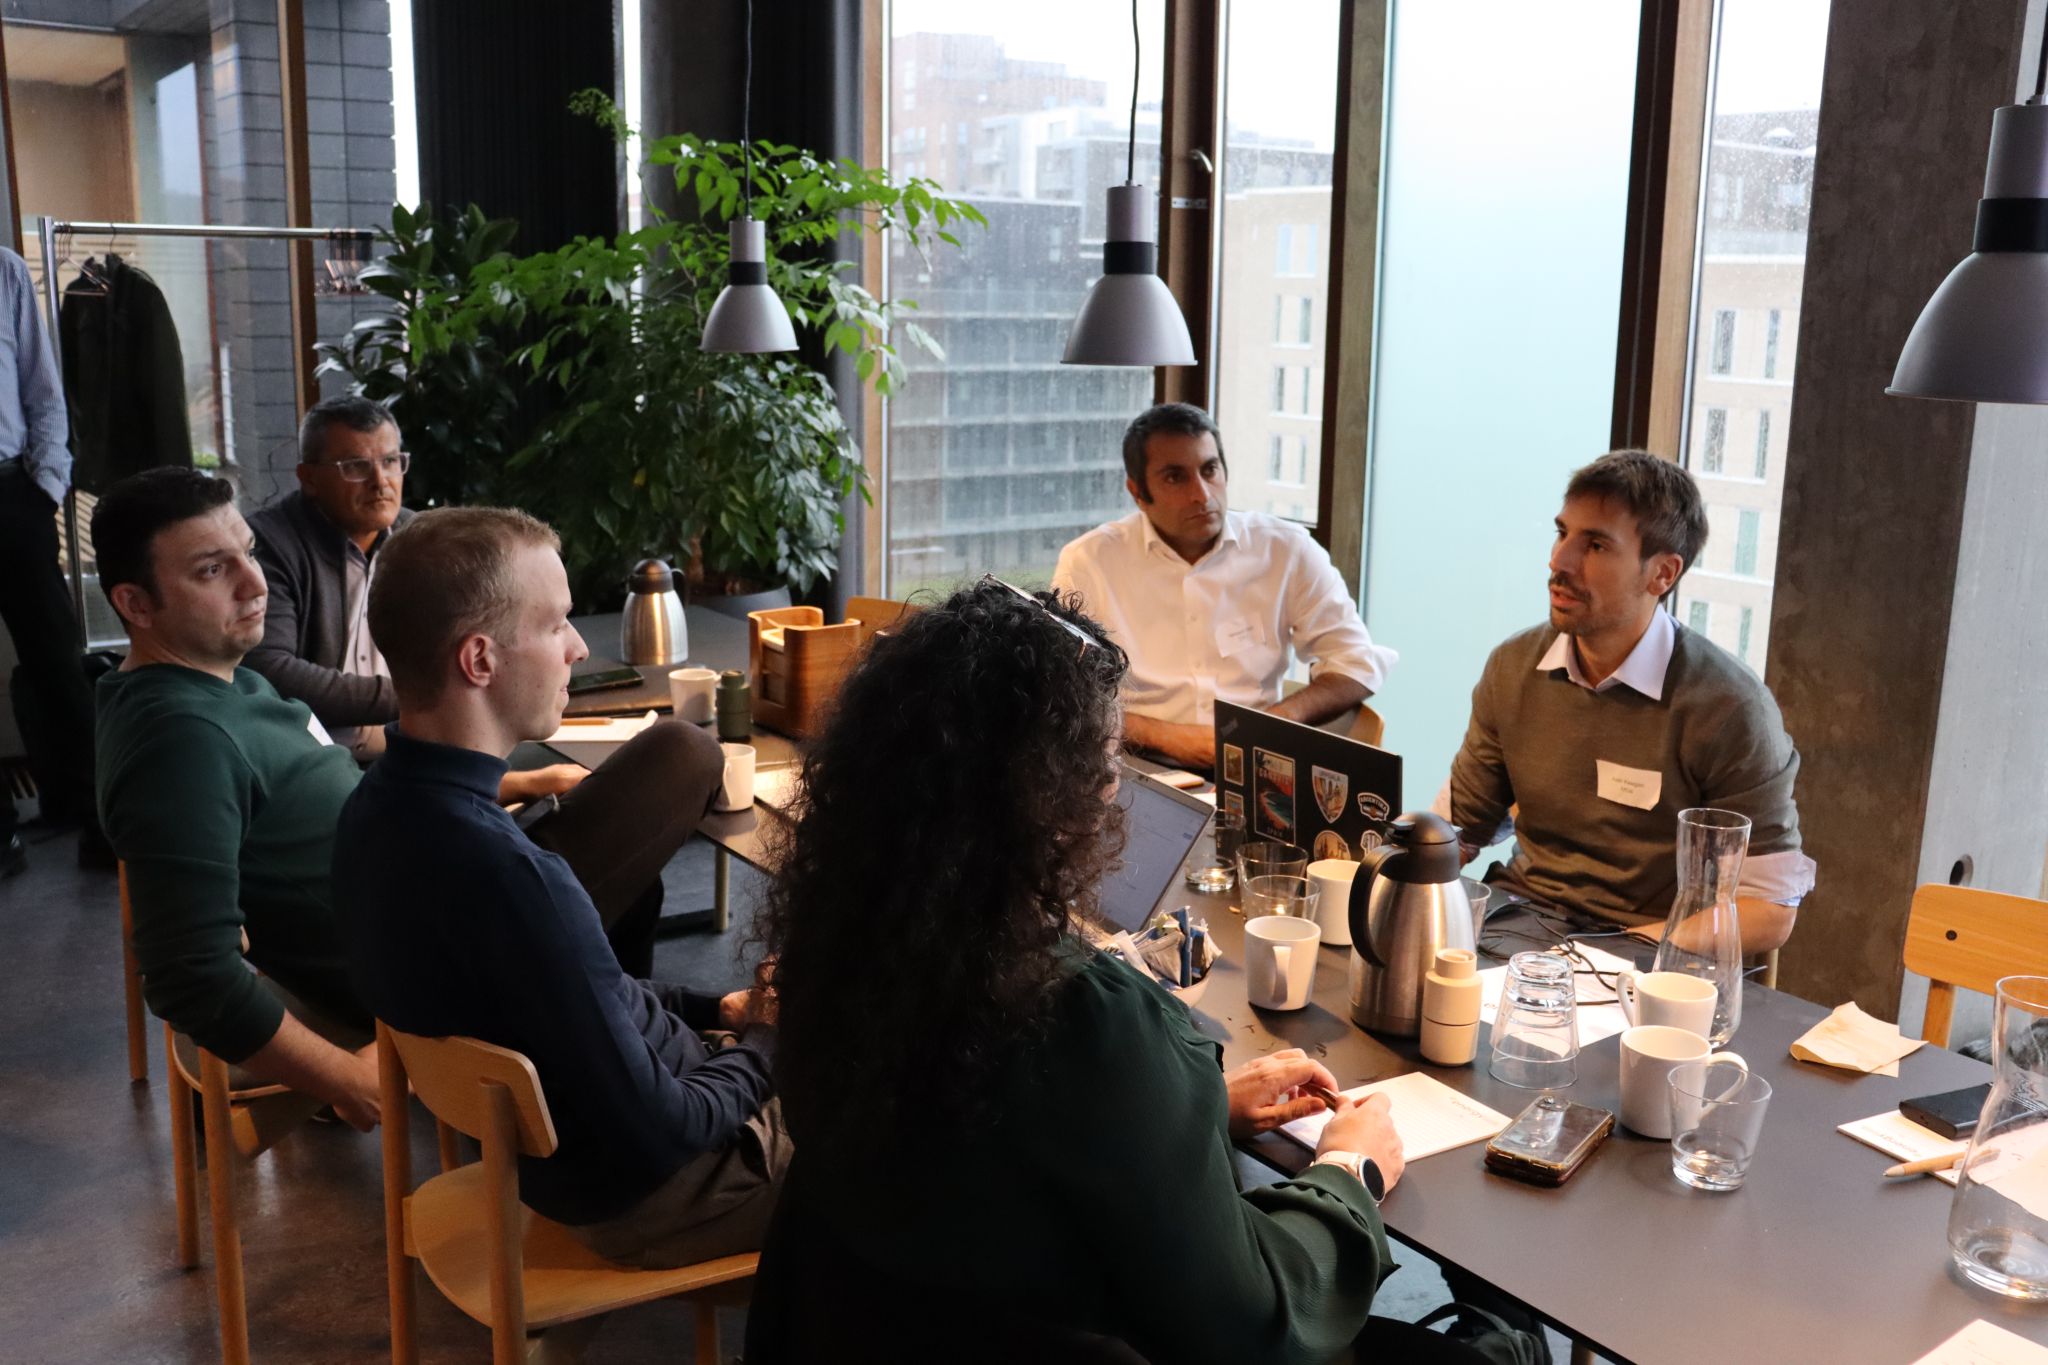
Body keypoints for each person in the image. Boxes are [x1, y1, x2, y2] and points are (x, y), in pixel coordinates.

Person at [746, 580, 1459, 1365]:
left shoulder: (844, 945)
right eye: (1109, 762)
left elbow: (980, 1151)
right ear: (1059, 798)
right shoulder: (1082, 1016)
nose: (1119, 786)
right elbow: (1256, 1323)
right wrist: (1350, 1168)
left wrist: (1187, 1113)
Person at [92, 468, 713, 1128]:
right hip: (434, 946)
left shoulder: (221, 683)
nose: (255, 582)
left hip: (431, 872)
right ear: (136, 604)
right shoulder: (179, 741)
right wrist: (350, 1081)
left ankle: (615, 1063)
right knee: (683, 754)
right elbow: (188, 975)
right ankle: (613, 1090)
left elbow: (329, 793)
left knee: (637, 866)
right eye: (213, 570)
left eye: (248, 551)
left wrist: (519, 783)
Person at [336, 507, 785, 1266]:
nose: (578, 647)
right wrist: (773, 1039)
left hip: (570, 1166)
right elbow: (666, 1131)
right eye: (555, 625)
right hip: (669, 1189)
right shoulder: (512, 876)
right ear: (479, 660)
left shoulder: (372, 815)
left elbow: (588, 996)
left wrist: (724, 1011)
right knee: (950, 1122)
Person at [1442, 449, 1814, 954]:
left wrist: (1625, 955)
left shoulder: (1729, 707)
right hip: (1518, 927)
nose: (1559, 561)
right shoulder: (1513, 666)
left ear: (1662, 574)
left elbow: (1769, 909)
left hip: (1645, 949)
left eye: (1595, 545)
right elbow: (1459, 830)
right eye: (1562, 534)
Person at [1053, 402, 1395, 770]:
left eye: (1209, 469)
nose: (1202, 495)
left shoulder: (1285, 549)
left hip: (1257, 761)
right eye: (1175, 477)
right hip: (1135, 763)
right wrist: (1167, 737)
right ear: (1138, 492)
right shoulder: (1090, 561)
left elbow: (1356, 662)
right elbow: (1065, 695)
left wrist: (1272, 723)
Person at [0, 244, 98, 875]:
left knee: (59, 661)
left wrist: (45, 485)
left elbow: (43, 389)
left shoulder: (4, 271)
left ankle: (98, 815)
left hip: (12, 492)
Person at [246, 395, 414, 762]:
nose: (380, 482)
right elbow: (269, 669)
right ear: (309, 478)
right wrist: (415, 698)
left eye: (390, 462)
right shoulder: (268, 544)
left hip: (413, 743)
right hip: (310, 758)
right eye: (356, 466)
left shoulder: (420, 538)